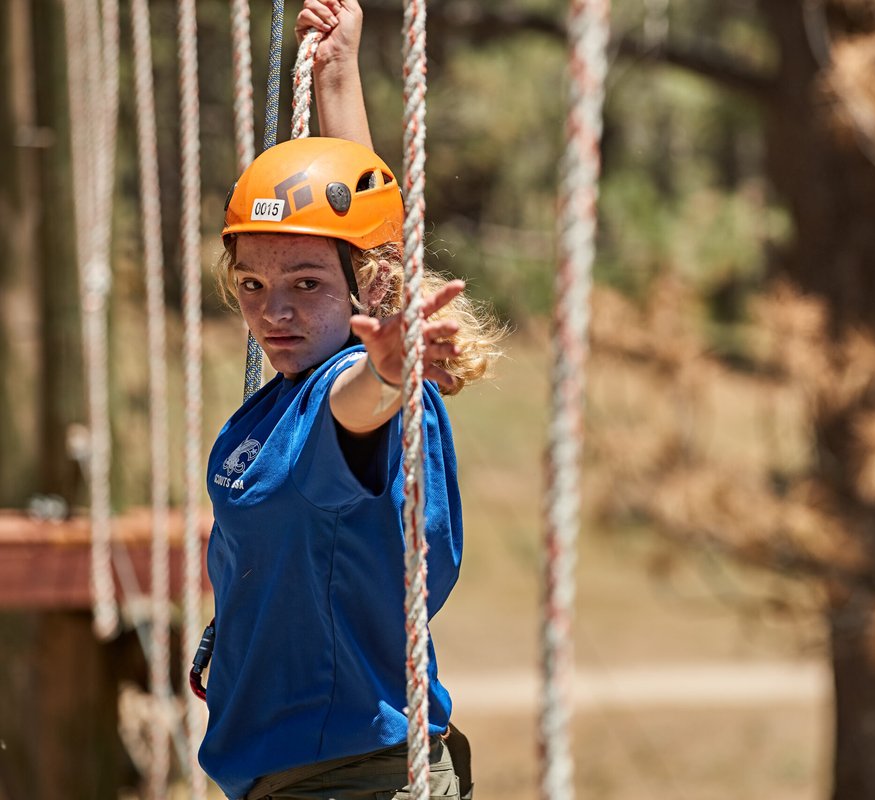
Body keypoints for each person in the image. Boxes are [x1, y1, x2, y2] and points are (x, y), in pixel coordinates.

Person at [196, 6, 501, 797]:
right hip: (282, 773)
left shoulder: (348, 388)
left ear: (370, 287)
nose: (275, 312)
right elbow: (362, 219)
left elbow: (359, 404)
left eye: (306, 285)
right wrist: (335, 71)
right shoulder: (278, 397)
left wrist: (394, 372)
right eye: (253, 286)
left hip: (359, 778)